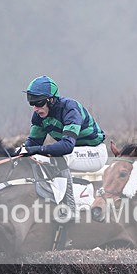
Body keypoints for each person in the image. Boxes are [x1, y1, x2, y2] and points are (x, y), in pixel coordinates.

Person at [18, 75, 108, 244]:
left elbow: (66, 146)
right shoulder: (39, 116)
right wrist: (20, 151)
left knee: (58, 157)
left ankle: (70, 210)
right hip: (73, 153)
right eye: (32, 104)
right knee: (36, 158)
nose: (35, 108)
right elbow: (33, 143)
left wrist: (34, 150)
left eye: (38, 103)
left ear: (51, 100)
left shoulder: (70, 109)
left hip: (94, 152)